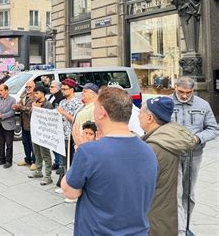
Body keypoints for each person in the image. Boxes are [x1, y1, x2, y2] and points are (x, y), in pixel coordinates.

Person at [61, 86, 158, 235]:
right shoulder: (148, 150)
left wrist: (81, 150)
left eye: (95, 107)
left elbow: (70, 192)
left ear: (102, 113)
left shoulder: (89, 152)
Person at [139, 97, 196, 236]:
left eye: (140, 112)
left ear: (150, 118)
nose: (138, 115)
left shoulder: (154, 147)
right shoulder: (171, 137)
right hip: (173, 213)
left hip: (158, 218)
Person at [169, 76, 218, 235]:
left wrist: (198, 138)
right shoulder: (166, 103)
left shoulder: (203, 105)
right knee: (174, 192)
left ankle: (186, 225)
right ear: (175, 87)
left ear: (193, 90)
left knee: (188, 192)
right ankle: (179, 228)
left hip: (194, 154)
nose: (184, 96)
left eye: (188, 93)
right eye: (181, 92)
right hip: (173, 154)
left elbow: (213, 129)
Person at [28, 86, 54, 185]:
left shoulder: (48, 104)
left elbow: (49, 119)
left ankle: (48, 176)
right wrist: (33, 109)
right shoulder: (34, 103)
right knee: (36, 152)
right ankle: (38, 171)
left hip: (44, 133)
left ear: (43, 93)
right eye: (34, 93)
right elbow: (31, 116)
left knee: (45, 154)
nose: (35, 95)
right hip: (35, 132)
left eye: (37, 93)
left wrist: (38, 110)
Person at [55, 78, 82, 171]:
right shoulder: (62, 102)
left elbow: (76, 120)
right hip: (61, 134)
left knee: (71, 159)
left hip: (71, 136)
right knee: (64, 158)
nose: (62, 91)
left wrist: (63, 113)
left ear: (71, 89)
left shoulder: (77, 103)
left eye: (64, 89)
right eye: (61, 89)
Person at [12, 80, 36, 169]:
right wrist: (16, 107)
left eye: (30, 87)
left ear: (34, 87)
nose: (27, 89)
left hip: (32, 123)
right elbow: (21, 106)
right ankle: (27, 159)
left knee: (32, 143)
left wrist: (20, 107)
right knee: (25, 142)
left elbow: (30, 109)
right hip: (24, 123)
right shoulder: (24, 95)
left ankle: (35, 161)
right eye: (26, 87)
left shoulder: (35, 97)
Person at [0, 83, 17, 169]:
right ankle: (1, 159)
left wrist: (2, 116)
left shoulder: (12, 100)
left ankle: (8, 161)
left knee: (9, 144)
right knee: (0, 143)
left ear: (6, 91)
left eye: (1, 90)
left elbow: (12, 112)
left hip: (8, 125)